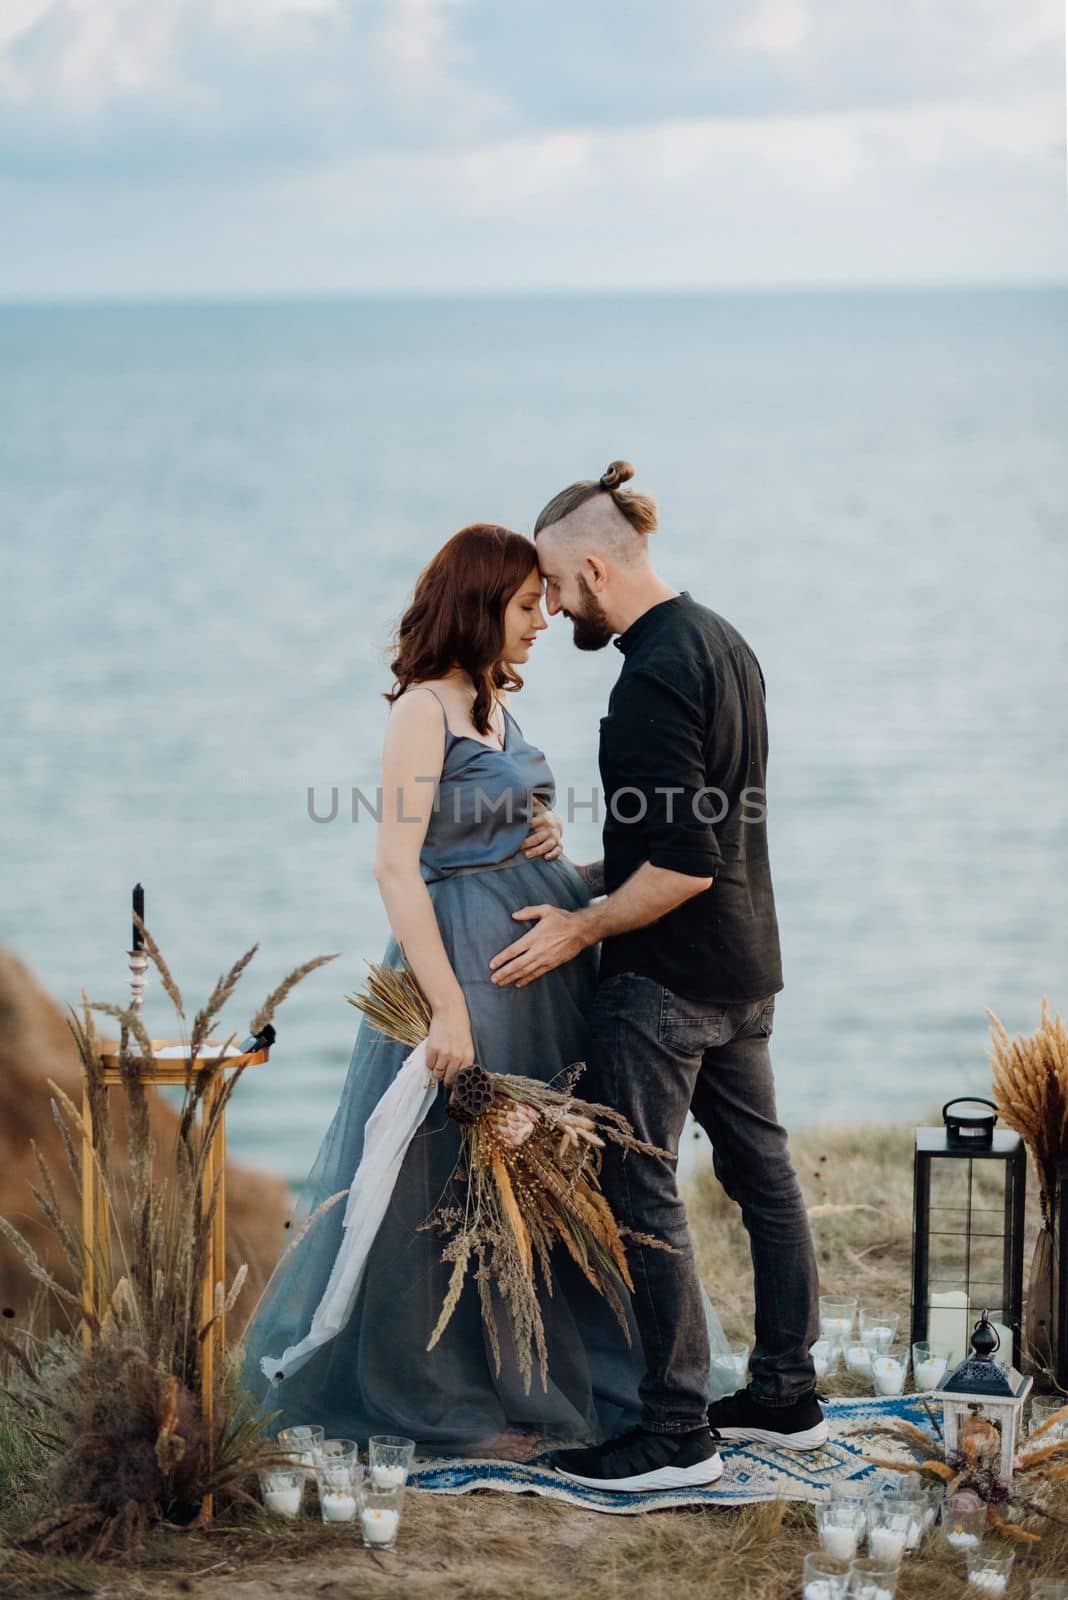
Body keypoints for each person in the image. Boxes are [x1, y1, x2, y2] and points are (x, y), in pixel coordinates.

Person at [238, 521, 728, 1479]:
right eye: (524, 605)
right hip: (469, 970)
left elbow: (496, 806)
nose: (544, 618)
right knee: (455, 1185)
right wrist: (448, 1009)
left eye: (544, 601)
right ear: (477, 606)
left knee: (546, 1178)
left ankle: (557, 1376)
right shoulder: (424, 709)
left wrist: (541, 833)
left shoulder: (493, 700)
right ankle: (447, 1400)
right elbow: (394, 863)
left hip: (545, 970)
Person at [489, 461, 825, 1491]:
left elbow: (682, 863)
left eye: (552, 582)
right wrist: (584, 877)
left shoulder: (647, 676)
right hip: (746, 965)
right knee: (764, 1179)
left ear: (595, 564)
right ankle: (786, 1393)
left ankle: (675, 1433)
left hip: (668, 984)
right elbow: (688, 836)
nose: (547, 604)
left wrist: (585, 924)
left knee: (641, 1185)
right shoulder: (725, 642)